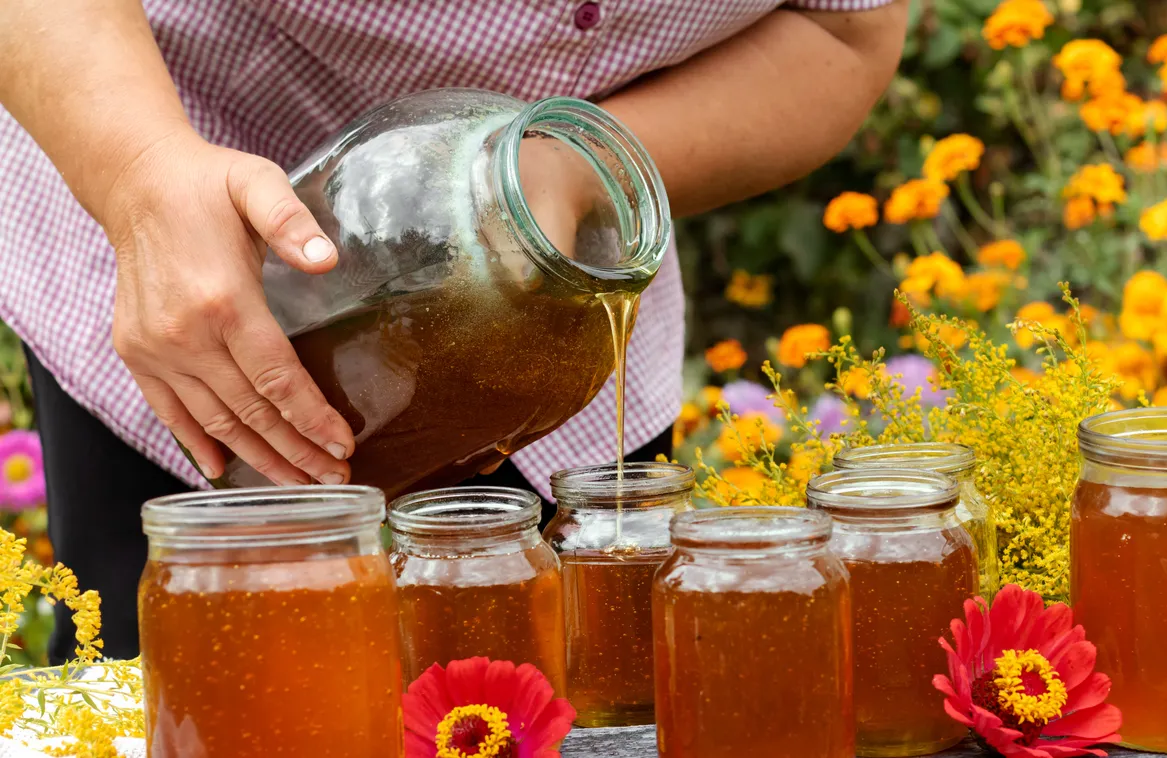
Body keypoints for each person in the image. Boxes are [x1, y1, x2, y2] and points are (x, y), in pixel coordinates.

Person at [0, 1, 908, 661]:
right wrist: (140, 172)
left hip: (556, 320)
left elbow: (844, 33)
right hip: (195, 279)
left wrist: (574, 175)